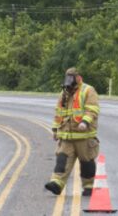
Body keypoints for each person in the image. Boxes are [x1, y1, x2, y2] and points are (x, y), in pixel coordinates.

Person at [45, 67, 100, 196]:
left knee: (87, 163)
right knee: (62, 160)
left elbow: (92, 109)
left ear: (78, 77)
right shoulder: (64, 93)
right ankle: (56, 184)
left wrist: (85, 122)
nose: (69, 80)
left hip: (84, 136)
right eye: (67, 77)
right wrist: (55, 129)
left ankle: (88, 187)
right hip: (67, 136)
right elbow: (59, 112)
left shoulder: (88, 90)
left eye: (72, 77)